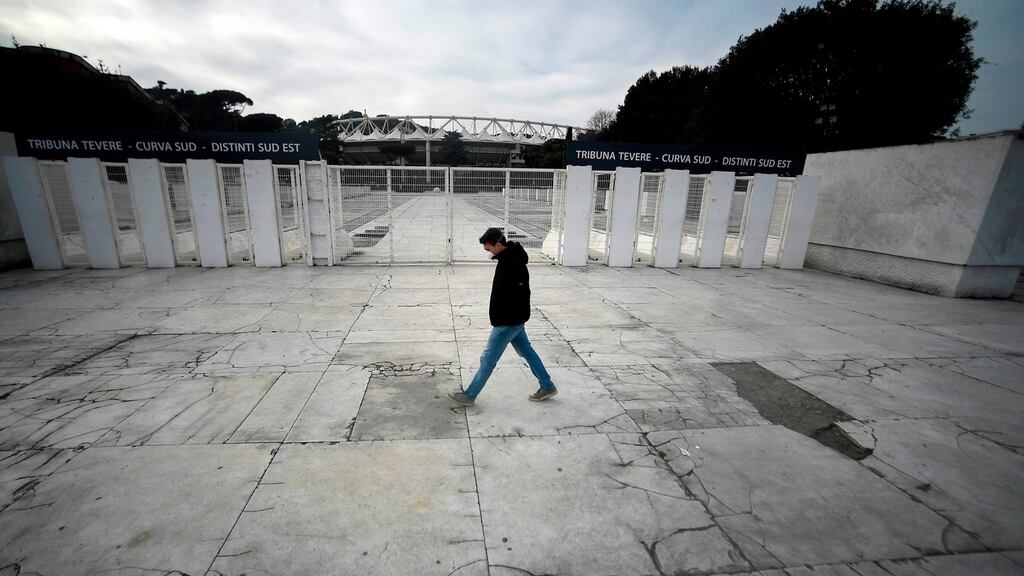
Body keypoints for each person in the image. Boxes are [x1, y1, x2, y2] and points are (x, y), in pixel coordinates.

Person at [447, 228, 557, 406]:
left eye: (489, 249)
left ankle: (469, 395)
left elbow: (522, 296)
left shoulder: (514, 264)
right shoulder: (507, 258)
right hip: (513, 320)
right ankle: (548, 386)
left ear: (498, 245)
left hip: (508, 322)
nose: (488, 253)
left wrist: (507, 320)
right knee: (527, 352)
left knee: (488, 359)